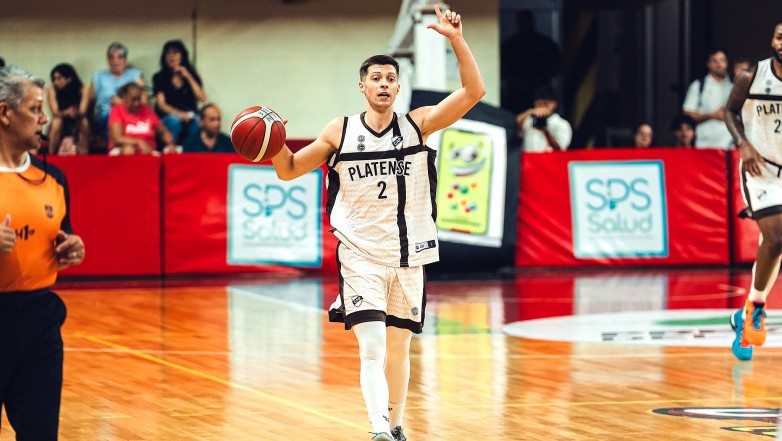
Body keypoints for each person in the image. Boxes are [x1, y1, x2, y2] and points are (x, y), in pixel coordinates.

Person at [270, 5, 483, 440]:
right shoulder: (340, 131)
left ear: (398, 87)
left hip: (409, 256)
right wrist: (273, 143)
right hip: (360, 255)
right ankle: (379, 429)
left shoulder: (418, 125)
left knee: (399, 352)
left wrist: (457, 40)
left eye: (390, 78)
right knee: (373, 346)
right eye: (376, 78)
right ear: (362, 86)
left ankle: (396, 424)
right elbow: (289, 168)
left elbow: (473, 91)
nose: (383, 84)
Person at [0, 65, 85, 440]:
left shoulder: (54, 179)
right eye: (35, 109)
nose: (45, 119)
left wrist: (72, 247)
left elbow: (62, 237)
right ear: (5, 113)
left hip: (39, 322)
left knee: (41, 434)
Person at [725, 21, 782, 361]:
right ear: (772, 40)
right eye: (780, 37)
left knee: (773, 246)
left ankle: (744, 315)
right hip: (761, 169)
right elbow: (729, 111)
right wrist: (743, 144)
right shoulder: (751, 76)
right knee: (776, 238)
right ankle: (757, 308)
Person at [500, 9, 562, 114]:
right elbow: (501, 67)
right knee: (513, 117)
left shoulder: (545, 43)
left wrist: (541, 79)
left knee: (542, 113)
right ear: (518, 23)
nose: (525, 24)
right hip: (516, 92)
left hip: (540, 90)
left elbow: (559, 65)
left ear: (533, 22)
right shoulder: (510, 44)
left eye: (527, 21)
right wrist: (515, 81)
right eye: (522, 21)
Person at [87, 42, 146, 146]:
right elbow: (89, 103)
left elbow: (144, 102)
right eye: (111, 57)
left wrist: (123, 104)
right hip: (106, 117)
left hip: (131, 117)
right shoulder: (98, 77)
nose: (115, 61)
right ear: (107, 60)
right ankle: (113, 151)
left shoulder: (135, 76)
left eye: (119, 57)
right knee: (111, 122)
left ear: (125, 60)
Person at [152, 40, 206, 144]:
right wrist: (179, 114)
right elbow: (161, 105)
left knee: (198, 120)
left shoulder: (192, 75)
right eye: (168, 53)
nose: (171, 56)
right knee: (174, 121)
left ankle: (190, 150)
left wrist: (188, 76)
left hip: (190, 115)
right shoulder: (159, 77)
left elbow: (202, 98)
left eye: (175, 52)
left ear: (182, 56)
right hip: (169, 116)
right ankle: (172, 149)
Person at [682, 48, 734, 149]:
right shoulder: (699, 85)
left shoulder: (734, 87)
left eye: (722, 60)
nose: (719, 64)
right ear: (708, 64)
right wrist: (712, 115)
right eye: (714, 61)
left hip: (730, 145)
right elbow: (687, 112)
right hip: (704, 144)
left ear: (727, 63)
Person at [108, 83, 177, 155]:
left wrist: (170, 144)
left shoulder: (147, 110)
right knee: (129, 149)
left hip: (148, 152)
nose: (136, 103)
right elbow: (117, 138)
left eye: (138, 99)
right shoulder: (117, 110)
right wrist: (138, 142)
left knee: (171, 153)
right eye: (133, 99)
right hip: (123, 152)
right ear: (125, 97)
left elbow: (163, 131)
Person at [47, 63, 90, 155]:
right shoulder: (52, 90)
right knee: (57, 121)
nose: (56, 82)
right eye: (54, 79)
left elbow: (83, 110)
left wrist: (74, 112)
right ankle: (51, 154)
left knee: (84, 121)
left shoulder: (83, 88)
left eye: (59, 78)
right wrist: (66, 112)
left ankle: (84, 154)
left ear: (69, 78)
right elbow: (55, 112)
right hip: (61, 120)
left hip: (77, 120)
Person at [515, 85, 572, 152]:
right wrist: (531, 111)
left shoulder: (561, 124)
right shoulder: (529, 120)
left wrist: (546, 131)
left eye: (545, 104)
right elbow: (517, 122)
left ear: (554, 104)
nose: (542, 107)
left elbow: (560, 149)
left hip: (548, 158)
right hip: (528, 158)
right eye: (539, 104)